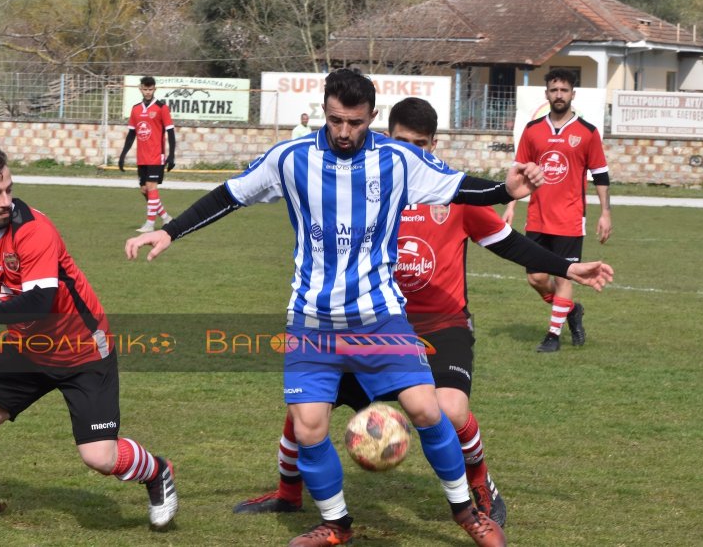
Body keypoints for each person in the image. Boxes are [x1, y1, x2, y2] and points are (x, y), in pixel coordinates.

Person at [126, 68, 551, 547]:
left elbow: (457, 186)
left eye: (354, 122)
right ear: (324, 112)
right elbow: (231, 195)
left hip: (380, 318)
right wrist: (169, 230)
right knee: (308, 427)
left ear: (371, 117)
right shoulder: (290, 158)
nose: (344, 132)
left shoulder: (398, 158)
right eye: (335, 121)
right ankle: (336, 525)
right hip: (312, 321)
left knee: (427, 409)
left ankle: (467, 513)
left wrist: (504, 189)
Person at [232, 97, 614, 528]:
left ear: (433, 145)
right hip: (374, 326)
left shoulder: (452, 193)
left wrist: (566, 267)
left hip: (442, 324)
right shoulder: (363, 185)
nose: (411, 150)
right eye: (401, 141)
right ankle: (288, 494)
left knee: (448, 410)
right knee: (307, 405)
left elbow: (507, 242)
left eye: (420, 143)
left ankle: (481, 484)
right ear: (384, 138)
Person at [0, 144, 177, 530]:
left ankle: (157, 470)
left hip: (81, 347)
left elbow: (40, 303)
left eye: (9, 189)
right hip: (25, 347)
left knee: (99, 457)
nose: (6, 201)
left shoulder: (33, 228)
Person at [502, 68, 612, 353]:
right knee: (536, 278)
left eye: (564, 90)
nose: (559, 95)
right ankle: (571, 310)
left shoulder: (587, 133)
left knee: (565, 275)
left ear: (572, 94)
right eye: (554, 90)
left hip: (570, 218)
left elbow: (600, 175)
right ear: (546, 94)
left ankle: (553, 335)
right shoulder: (532, 130)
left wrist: (605, 213)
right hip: (537, 217)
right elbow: (519, 173)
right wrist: (511, 206)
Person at [118, 75, 176, 233]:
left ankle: (150, 224)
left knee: (151, 187)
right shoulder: (136, 109)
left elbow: (170, 132)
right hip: (142, 157)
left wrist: (171, 155)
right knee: (144, 190)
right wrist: (123, 155)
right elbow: (131, 134)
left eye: (150, 89)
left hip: (156, 155)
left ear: (154, 89)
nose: (148, 92)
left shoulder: (161, 108)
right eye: (145, 89)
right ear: (140, 89)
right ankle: (166, 217)